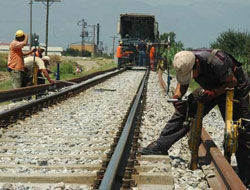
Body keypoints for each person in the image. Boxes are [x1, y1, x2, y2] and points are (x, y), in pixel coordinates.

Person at [140, 49, 250, 187]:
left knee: (241, 127)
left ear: (196, 64)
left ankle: (246, 175)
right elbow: (183, 84)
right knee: (186, 111)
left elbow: (231, 82)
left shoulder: (216, 62)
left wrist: (214, 92)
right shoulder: (185, 61)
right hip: (211, 86)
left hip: (235, 85)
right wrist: (177, 97)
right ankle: (161, 145)